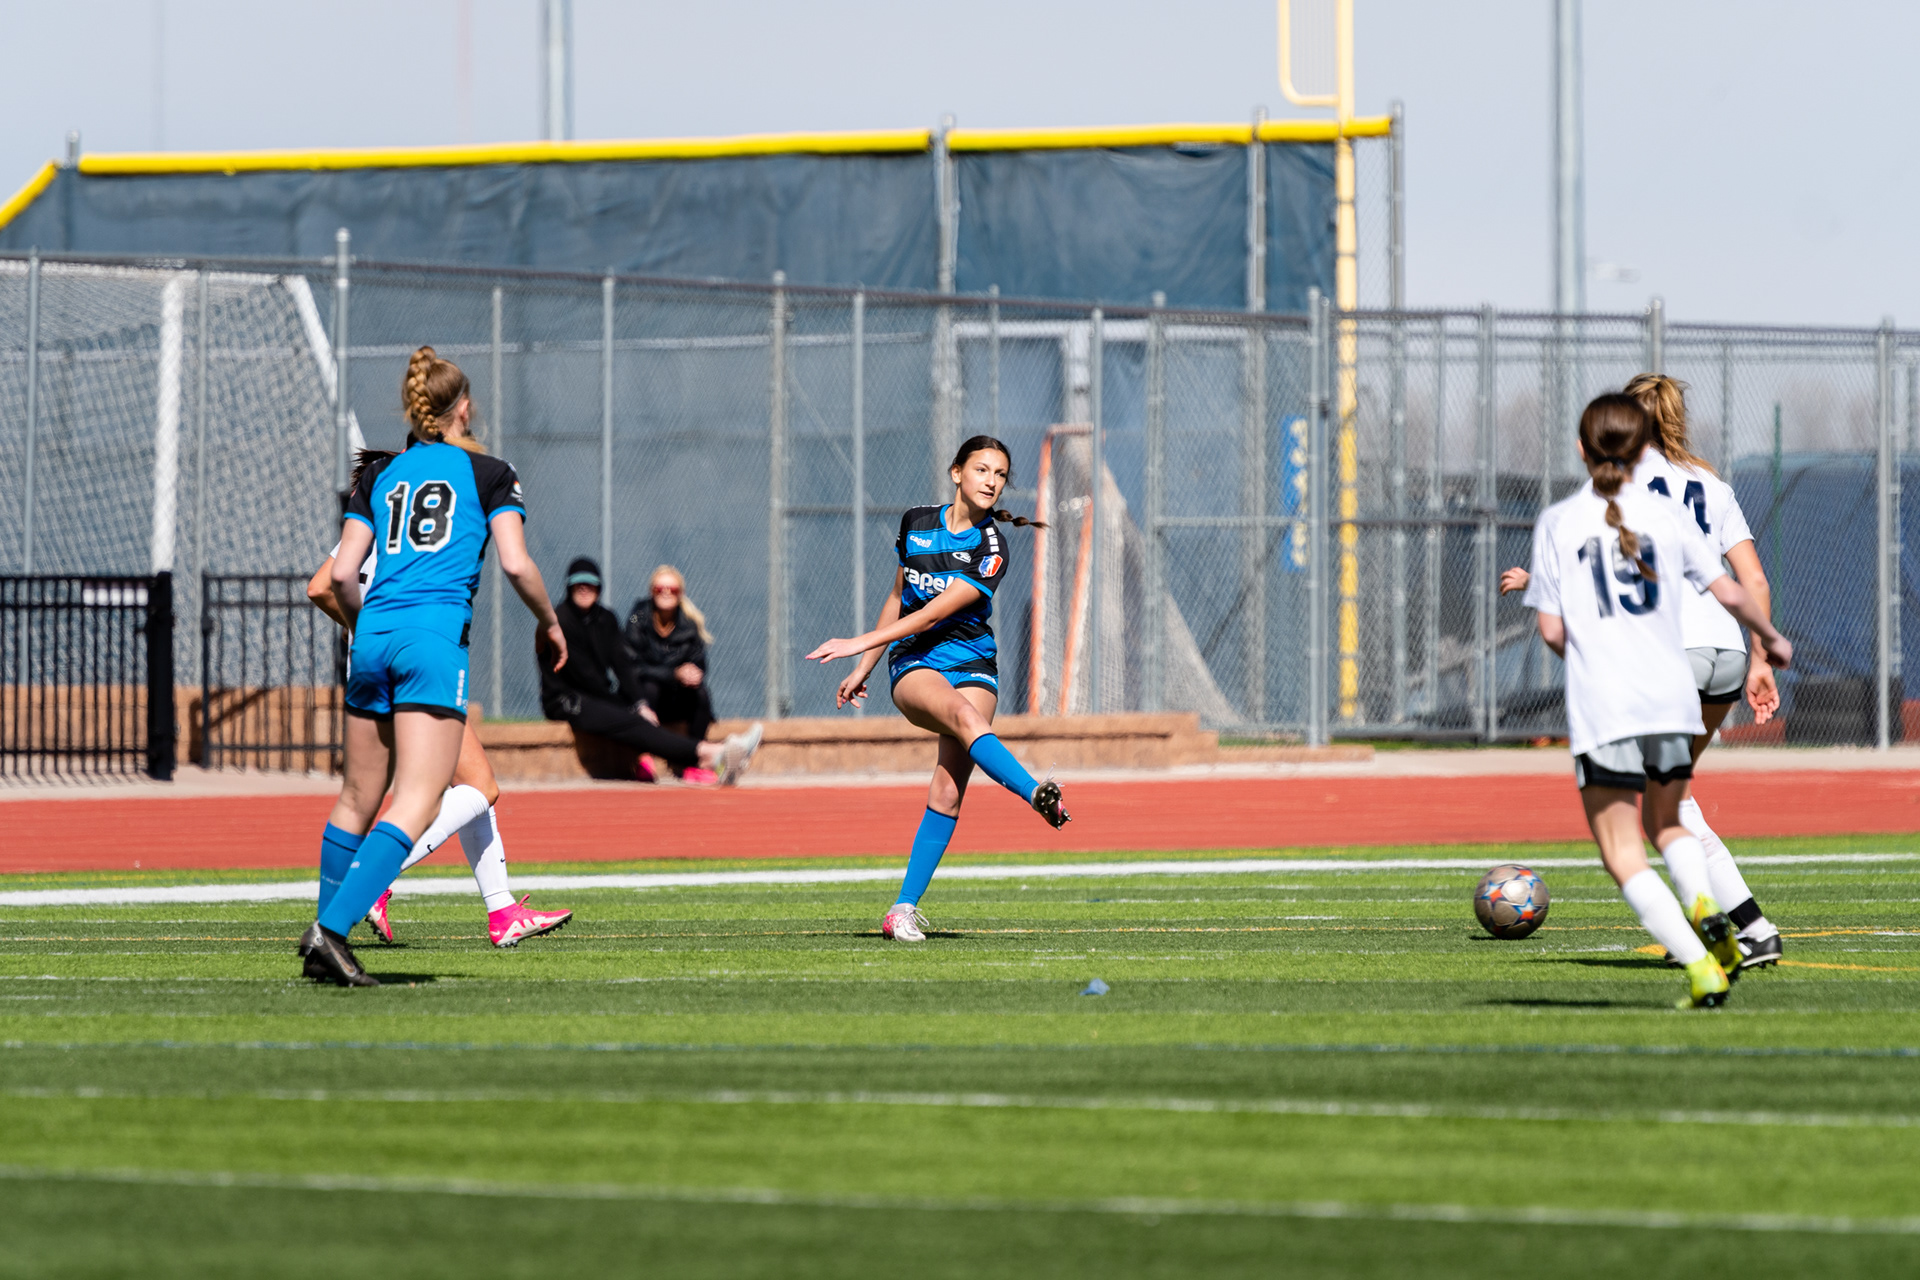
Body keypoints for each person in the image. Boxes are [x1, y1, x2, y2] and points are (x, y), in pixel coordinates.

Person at [301, 346, 568, 987]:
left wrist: (367, 625)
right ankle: (334, 927)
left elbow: (338, 575)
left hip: (371, 638)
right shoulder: (488, 472)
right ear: (464, 407)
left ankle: (329, 935)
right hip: (431, 642)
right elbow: (516, 563)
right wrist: (550, 621)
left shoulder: (380, 475)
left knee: (356, 799)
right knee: (422, 799)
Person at [1501, 372, 1786, 970]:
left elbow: (1608, 571)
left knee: (1666, 808)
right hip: (1727, 651)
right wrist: (1761, 658)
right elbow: (1752, 580)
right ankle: (1735, 928)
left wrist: (1541, 586)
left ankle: (1746, 928)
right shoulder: (1712, 485)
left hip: (1668, 653)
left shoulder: (1617, 486)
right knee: (1677, 796)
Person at [806, 434, 1070, 943]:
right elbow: (899, 598)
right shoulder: (916, 522)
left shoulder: (992, 548)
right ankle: (1036, 793)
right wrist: (864, 664)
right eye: (982, 470)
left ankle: (902, 910)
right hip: (916, 661)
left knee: (948, 790)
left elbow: (933, 613)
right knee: (963, 716)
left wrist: (855, 642)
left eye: (1000, 474)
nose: (991, 481)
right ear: (957, 473)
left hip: (973, 662)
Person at [542, 556, 760, 785]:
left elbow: (622, 665)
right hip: (567, 701)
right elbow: (588, 677)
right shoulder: (560, 621)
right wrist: (633, 704)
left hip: (601, 697)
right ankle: (712, 753)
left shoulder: (606, 619)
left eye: (590, 583)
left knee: (659, 709)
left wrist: (640, 704)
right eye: (578, 584)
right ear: (568, 586)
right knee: (636, 719)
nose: (584, 589)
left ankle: (709, 757)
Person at [624, 564, 715, 754]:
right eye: (660, 589)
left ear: (680, 594)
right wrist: (674, 673)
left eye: (672, 589)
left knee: (701, 694)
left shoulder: (690, 625)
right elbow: (631, 665)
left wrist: (693, 673)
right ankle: (643, 756)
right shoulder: (637, 618)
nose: (666, 593)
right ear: (651, 592)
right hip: (645, 699)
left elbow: (699, 662)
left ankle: (695, 756)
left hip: (676, 699)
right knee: (650, 687)